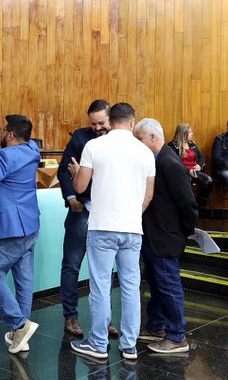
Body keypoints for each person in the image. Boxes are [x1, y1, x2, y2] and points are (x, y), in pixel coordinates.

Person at [69, 102, 155, 362]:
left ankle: (98, 344)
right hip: (132, 228)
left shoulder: (94, 146)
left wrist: (76, 173)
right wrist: (131, 215)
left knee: (100, 286)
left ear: (109, 120)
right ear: (132, 121)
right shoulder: (145, 152)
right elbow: (148, 195)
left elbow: (80, 186)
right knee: (130, 286)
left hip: (102, 226)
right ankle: (129, 346)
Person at [134, 118, 199, 354]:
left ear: (153, 137)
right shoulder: (157, 159)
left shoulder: (169, 163)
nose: (137, 143)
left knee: (168, 285)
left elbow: (188, 203)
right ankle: (156, 326)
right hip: (155, 234)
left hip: (165, 236)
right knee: (157, 283)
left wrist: (185, 231)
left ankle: (177, 336)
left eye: (139, 139)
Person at [0, 114, 41, 354]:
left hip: (7, 228)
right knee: (24, 281)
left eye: (4, 130)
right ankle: (20, 334)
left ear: (11, 135)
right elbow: (24, 147)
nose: (2, 133)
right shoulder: (32, 151)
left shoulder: (3, 156)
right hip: (30, 225)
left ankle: (19, 325)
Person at [56, 99, 118, 338]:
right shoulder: (80, 137)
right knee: (71, 265)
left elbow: (110, 179)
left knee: (104, 270)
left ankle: (104, 320)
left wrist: (81, 175)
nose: (97, 128)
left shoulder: (120, 141)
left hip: (107, 213)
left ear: (111, 119)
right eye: (93, 123)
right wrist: (72, 198)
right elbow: (64, 169)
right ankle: (70, 317)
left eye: (101, 123)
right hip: (81, 210)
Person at [168, 123, 213, 208]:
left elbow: (201, 157)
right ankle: (185, 207)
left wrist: (199, 165)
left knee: (208, 181)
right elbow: (174, 163)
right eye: (190, 132)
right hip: (181, 172)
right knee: (187, 182)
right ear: (184, 134)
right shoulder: (172, 146)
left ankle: (197, 206)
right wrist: (188, 171)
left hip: (194, 171)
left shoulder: (192, 144)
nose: (192, 134)